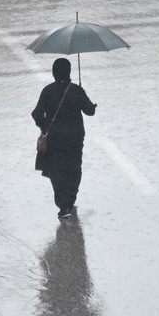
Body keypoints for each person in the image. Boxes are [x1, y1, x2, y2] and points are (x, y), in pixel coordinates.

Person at [31, 58, 96, 219]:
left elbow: (36, 114)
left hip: (55, 138)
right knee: (74, 168)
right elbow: (89, 111)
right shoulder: (76, 90)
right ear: (69, 72)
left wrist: (44, 126)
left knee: (57, 170)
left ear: (54, 73)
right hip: (74, 137)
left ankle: (63, 204)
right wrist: (90, 104)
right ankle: (70, 198)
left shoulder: (48, 91)